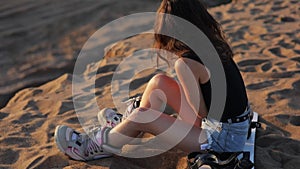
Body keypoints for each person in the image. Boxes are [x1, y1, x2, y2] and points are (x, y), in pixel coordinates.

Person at [54, 0, 251, 161]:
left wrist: (187, 84)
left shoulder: (186, 63)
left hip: (221, 140)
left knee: (142, 115)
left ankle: (96, 147)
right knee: (159, 82)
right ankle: (126, 127)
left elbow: (202, 112)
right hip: (234, 125)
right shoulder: (213, 44)